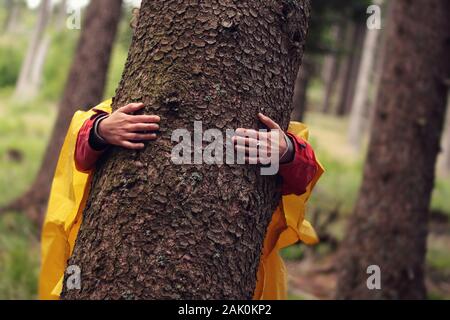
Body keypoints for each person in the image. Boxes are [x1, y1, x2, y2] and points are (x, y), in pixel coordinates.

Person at [39, 99, 324, 300]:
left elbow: (304, 176)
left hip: (231, 273)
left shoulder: (266, 121)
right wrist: (101, 131)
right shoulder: (120, 107)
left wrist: (287, 150)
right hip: (126, 267)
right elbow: (80, 152)